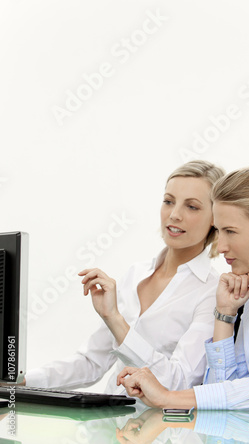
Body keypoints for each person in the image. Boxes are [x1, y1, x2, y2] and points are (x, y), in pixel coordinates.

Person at [118, 166, 249, 422]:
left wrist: (169, 397)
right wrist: (225, 315)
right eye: (218, 231)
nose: (220, 246)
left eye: (230, 231)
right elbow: (227, 388)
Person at [25, 160, 225, 394]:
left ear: (215, 217)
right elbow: (91, 363)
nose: (174, 215)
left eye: (192, 207)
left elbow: (179, 381)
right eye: (168, 201)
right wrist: (21, 381)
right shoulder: (135, 274)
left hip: (160, 427)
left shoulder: (211, 292)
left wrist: (115, 319)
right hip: (109, 420)